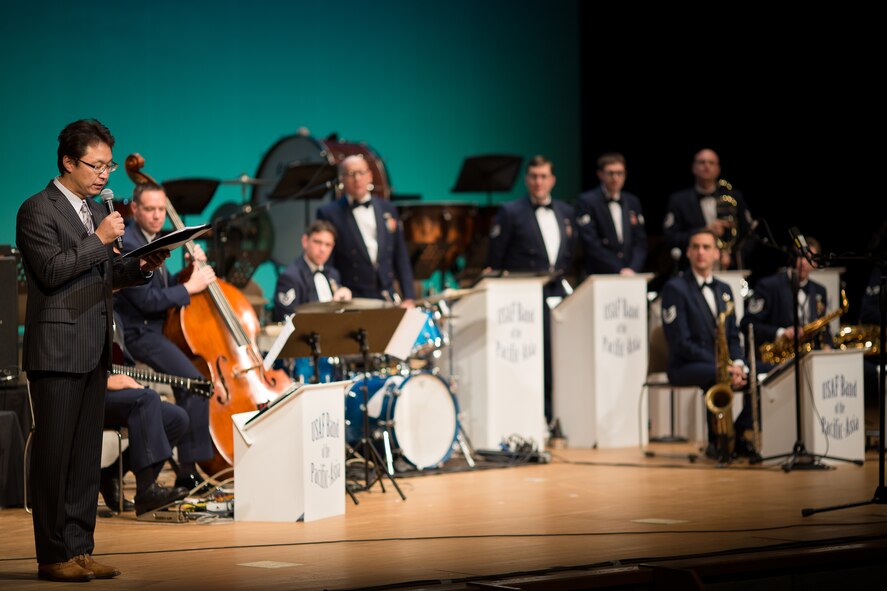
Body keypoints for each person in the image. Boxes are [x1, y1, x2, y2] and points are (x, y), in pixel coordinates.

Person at [16, 119, 165, 582]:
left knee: (84, 458)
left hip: (93, 347)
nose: (105, 174)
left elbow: (100, 277)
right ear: (67, 161)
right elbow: (52, 271)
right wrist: (99, 240)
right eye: (95, 165)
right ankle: (52, 554)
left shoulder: (91, 210)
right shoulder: (37, 210)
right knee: (55, 456)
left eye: (109, 165)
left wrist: (138, 268)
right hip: (57, 349)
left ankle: (80, 548)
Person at [114, 181, 216, 492]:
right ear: (134, 209)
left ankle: (114, 474)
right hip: (137, 333)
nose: (158, 216)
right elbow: (147, 301)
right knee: (197, 384)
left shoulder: (157, 239)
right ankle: (187, 472)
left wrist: (187, 271)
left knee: (196, 383)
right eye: (150, 209)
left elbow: (161, 287)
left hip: (157, 331)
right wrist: (190, 287)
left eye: (161, 209)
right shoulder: (130, 242)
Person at [486, 155, 575, 423]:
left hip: (558, 295)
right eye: (534, 176)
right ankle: (538, 414)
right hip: (523, 300)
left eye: (544, 176)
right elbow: (496, 259)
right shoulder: (511, 212)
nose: (539, 182)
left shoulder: (565, 212)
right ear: (526, 180)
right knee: (536, 357)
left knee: (561, 357)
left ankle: (560, 413)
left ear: (553, 180)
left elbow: (569, 254)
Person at [660, 229, 749, 461]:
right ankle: (717, 443)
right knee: (716, 376)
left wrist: (738, 363)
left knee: (763, 374)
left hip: (723, 363)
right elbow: (681, 343)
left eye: (706, 247)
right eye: (696, 247)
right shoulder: (675, 288)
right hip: (685, 366)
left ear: (716, 254)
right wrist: (723, 367)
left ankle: (738, 435)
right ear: (688, 252)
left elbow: (732, 335)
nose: (701, 252)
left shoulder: (724, 289)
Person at [100, 312, 190, 515]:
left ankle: (110, 476)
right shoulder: (85, 309)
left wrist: (131, 383)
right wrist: (105, 380)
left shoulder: (115, 315)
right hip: (91, 393)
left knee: (177, 418)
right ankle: (146, 491)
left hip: (118, 396)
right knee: (147, 400)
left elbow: (124, 364)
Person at [316, 155, 415, 304]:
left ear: (370, 176)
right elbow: (328, 261)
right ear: (342, 179)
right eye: (351, 174)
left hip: (386, 294)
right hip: (352, 297)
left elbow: (400, 255)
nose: (357, 179)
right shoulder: (329, 213)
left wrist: (409, 297)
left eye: (361, 173)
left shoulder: (387, 208)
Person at [740, 237, 831, 372]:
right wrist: (781, 332)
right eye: (800, 256)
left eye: (809, 258)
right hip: (778, 363)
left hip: (812, 361)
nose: (803, 263)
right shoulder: (768, 286)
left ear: (816, 263)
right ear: (792, 258)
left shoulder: (819, 290)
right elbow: (747, 324)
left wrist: (828, 346)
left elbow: (824, 328)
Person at [663, 148, 754, 270]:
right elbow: (670, 238)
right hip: (691, 270)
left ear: (718, 169)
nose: (706, 166)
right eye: (702, 162)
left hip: (729, 268)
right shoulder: (679, 200)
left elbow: (750, 234)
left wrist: (733, 257)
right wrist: (705, 230)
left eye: (711, 163)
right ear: (693, 167)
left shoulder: (734, 197)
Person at [575, 152, 647, 275]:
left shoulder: (632, 201)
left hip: (630, 273)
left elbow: (640, 241)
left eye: (619, 173)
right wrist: (618, 269)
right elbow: (591, 242)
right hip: (600, 274)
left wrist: (633, 268)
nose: (615, 178)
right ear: (600, 174)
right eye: (611, 173)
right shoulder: (587, 201)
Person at [272, 220, 352, 321]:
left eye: (328, 245)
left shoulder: (333, 274)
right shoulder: (290, 277)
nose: (322, 249)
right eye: (318, 242)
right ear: (305, 241)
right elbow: (286, 320)